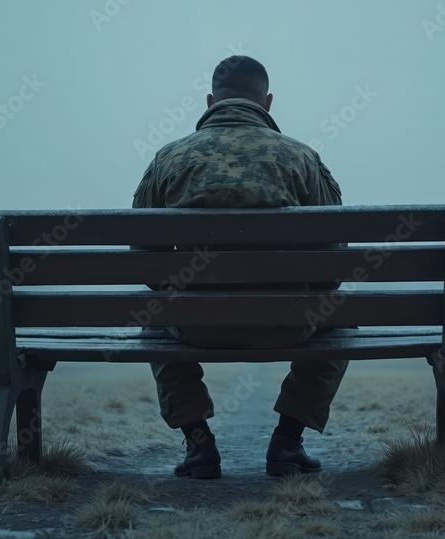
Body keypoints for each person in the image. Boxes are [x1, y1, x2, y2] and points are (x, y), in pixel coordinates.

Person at [131, 55, 348, 479]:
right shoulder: (301, 157)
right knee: (342, 318)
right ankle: (287, 443)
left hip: (192, 326)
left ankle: (199, 446)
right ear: (267, 102)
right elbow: (332, 266)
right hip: (287, 323)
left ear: (211, 100)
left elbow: (148, 264)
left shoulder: (168, 159)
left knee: (153, 315)